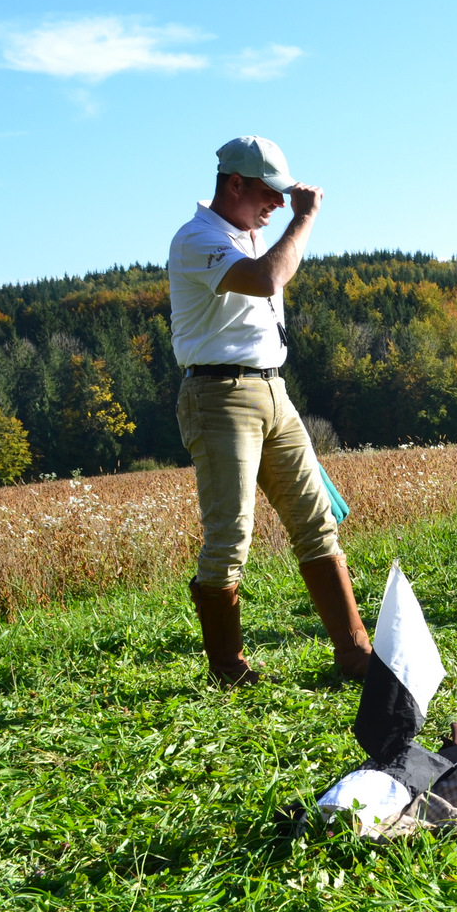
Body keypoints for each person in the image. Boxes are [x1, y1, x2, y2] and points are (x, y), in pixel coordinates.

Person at [168, 135, 372, 687]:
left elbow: (272, 268)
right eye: (268, 194)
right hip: (218, 398)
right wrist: (305, 219)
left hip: (272, 391)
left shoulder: (250, 237)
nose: (277, 205)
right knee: (229, 539)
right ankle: (228, 672)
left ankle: (356, 656)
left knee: (318, 523)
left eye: (284, 198)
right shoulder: (196, 239)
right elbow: (265, 281)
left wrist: (286, 225)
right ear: (234, 184)